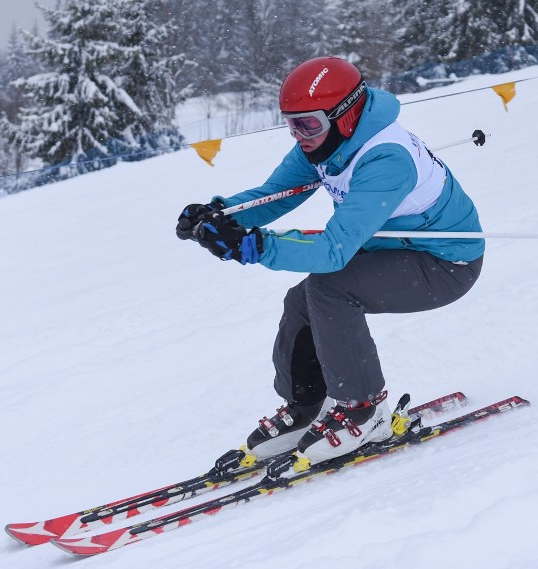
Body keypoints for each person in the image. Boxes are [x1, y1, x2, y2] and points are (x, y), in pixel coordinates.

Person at [176, 56, 484, 470]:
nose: (299, 136)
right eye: (291, 124)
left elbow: (334, 251)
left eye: (307, 125)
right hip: (388, 248)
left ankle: (365, 410)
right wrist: (220, 217)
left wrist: (253, 247)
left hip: (446, 263)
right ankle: (306, 404)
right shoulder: (327, 140)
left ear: (347, 114)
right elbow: (278, 194)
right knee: (302, 299)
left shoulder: (386, 160)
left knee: (330, 288)